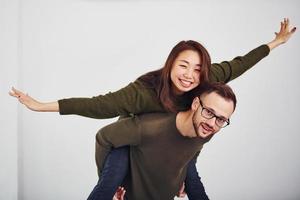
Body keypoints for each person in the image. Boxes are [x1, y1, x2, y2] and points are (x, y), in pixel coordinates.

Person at [9, 19, 296, 200]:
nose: (189, 75)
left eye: (197, 69)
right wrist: (42, 106)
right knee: (111, 184)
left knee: (192, 176)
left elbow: (240, 63)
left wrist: (276, 42)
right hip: (130, 139)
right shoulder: (143, 92)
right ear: (171, 64)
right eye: (183, 65)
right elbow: (98, 105)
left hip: (174, 143)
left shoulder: (206, 89)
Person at [93, 82, 237, 200]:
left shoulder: (206, 129)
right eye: (209, 112)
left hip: (160, 191)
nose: (212, 123)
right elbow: (103, 137)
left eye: (221, 119)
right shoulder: (149, 128)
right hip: (128, 189)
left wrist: (179, 179)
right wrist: (107, 183)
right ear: (195, 104)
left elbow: (192, 151)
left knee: (195, 186)